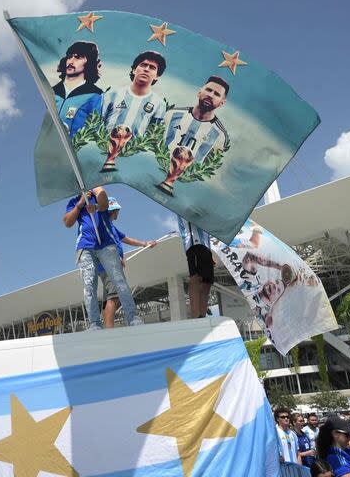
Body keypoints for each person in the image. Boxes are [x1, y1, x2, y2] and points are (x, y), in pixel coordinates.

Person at [63, 187, 142, 330]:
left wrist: (97, 206)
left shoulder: (98, 194)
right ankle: (94, 323)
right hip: (85, 246)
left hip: (106, 244)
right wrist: (80, 204)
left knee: (119, 280)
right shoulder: (73, 202)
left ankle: (133, 317)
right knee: (89, 285)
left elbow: (104, 203)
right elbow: (68, 222)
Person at [156, 76, 231, 195]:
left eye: (216, 94)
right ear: (199, 92)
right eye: (208, 90)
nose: (210, 95)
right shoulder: (172, 114)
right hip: (154, 174)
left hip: (186, 192)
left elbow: (213, 169)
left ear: (222, 103)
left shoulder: (220, 136)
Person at [97, 197, 157, 327]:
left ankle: (108, 328)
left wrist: (145, 243)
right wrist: (115, 258)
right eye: (117, 210)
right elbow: (103, 245)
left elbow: (126, 238)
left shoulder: (111, 227)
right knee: (115, 296)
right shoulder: (102, 225)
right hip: (109, 266)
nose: (118, 213)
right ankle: (109, 331)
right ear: (114, 210)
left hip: (110, 266)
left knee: (111, 298)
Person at [100, 51, 166, 162]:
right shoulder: (112, 94)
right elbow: (97, 123)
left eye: (152, 67)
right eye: (143, 65)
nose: (146, 69)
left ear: (157, 76)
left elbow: (153, 137)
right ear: (134, 69)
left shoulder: (159, 104)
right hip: (103, 151)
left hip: (132, 157)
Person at [52, 41, 103, 137]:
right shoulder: (51, 91)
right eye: (69, 56)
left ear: (89, 62)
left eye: (78, 57)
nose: (71, 61)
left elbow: (95, 132)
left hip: (70, 149)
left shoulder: (96, 95)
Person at [177, 216, 214, 318]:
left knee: (207, 282)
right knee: (196, 278)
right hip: (194, 241)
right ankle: (196, 316)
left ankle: (202, 316)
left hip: (205, 245)